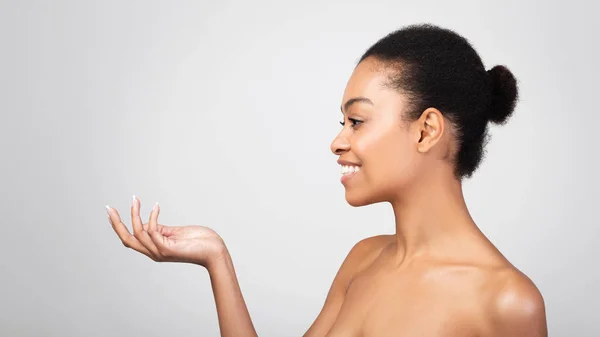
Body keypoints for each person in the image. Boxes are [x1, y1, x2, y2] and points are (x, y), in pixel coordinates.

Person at [106, 23, 547, 336]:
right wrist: (216, 258)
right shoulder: (363, 260)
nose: (336, 142)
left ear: (426, 130)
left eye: (357, 120)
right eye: (343, 121)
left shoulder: (507, 302)